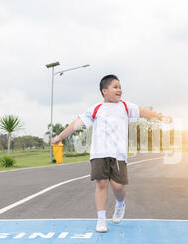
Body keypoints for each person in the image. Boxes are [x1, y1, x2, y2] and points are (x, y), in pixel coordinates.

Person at [51, 74, 172, 232]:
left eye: (120, 87)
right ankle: (101, 220)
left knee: (118, 186)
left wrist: (160, 117)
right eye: (115, 87)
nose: (119, 90)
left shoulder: (125, 106)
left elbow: (142, 111)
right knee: (101, 183)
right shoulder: (96, 109)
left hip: (118, 155)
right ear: (104, 91)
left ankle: (120, 204)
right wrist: (60, 137)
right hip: (99, 153)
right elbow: (76, 124)